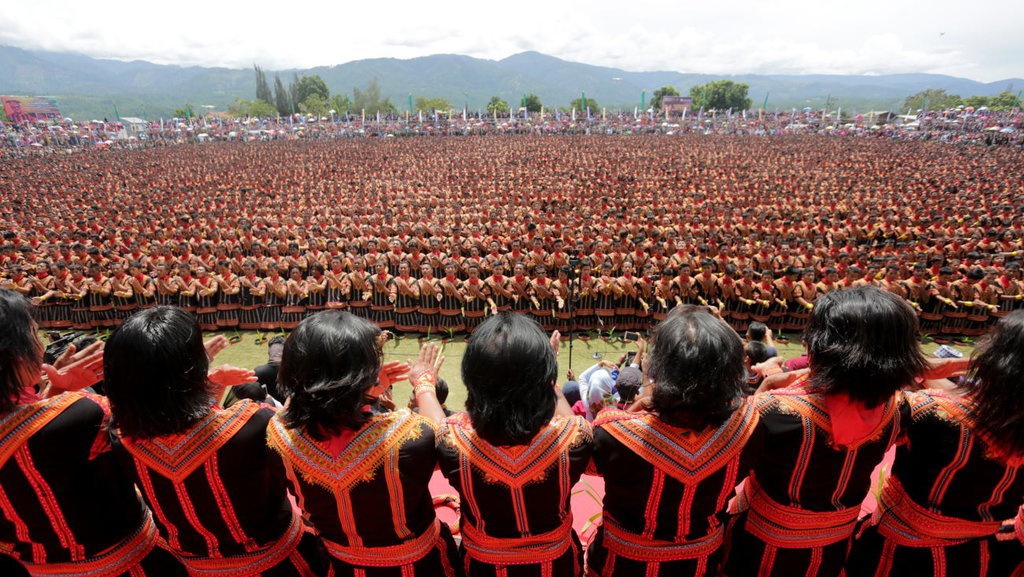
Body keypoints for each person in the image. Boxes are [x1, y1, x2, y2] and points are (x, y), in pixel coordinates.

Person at [103, 306, 323, 576]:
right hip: (280, 564)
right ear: (192, 368)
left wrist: (206, 382)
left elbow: (181, 426)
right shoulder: (252, 422)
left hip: (193, 569)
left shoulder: (120, 436)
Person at [725, 286, 928, 577]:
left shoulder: (776, 410)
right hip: (834, 549)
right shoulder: (901, 410)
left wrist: (764, 391)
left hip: (761, 550)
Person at [0, 289, 184, 577]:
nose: (41, 346)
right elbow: (164, 437)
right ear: (13, 355)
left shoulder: (66, 413)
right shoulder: (83, 412)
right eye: (34, 335)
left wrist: (54, 392)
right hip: (130, 565)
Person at [265, 311, 461, 576]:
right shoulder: (405, 435)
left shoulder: (278, 433)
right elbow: (447, 441)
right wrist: (424, 383)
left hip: (342, 565)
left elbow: (297, 405)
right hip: (419, 567)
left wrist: (364, 390)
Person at [587, 306, 768, 577]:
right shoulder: (751, 426)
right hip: (701, 564)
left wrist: (642, 400)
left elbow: (589, 466)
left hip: (621, 565)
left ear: (658, 368)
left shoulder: (613, 431)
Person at [846, 311, 1024, 577]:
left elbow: (854, 404)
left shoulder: (930, 411)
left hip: (896, 554)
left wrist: (919, 368)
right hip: (977, 557)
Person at [416, 313, 593, 576]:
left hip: (482, 568)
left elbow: (437, 425)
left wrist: (424, 383)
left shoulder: (454, 442)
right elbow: (568, 420)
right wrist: (549, 381)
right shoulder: (574, 438)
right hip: (557, 567)